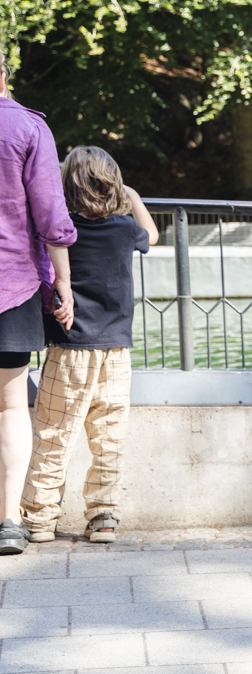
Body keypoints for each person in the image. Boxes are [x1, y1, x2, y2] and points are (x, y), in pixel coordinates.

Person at [19, 148, 158, 544]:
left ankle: (41, 519)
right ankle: (103, 518)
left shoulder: (60, 232)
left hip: (69, 350)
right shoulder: (123, 228)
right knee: (109, 438)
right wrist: (132, 196)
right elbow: (153, 235)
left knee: (53, 435)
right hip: (116, 351)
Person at [0, 54, 77, 556]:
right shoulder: (26, 127)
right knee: (10, 405)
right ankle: (7, 520)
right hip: (11, 283)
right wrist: (64, 285)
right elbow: (50, 212)